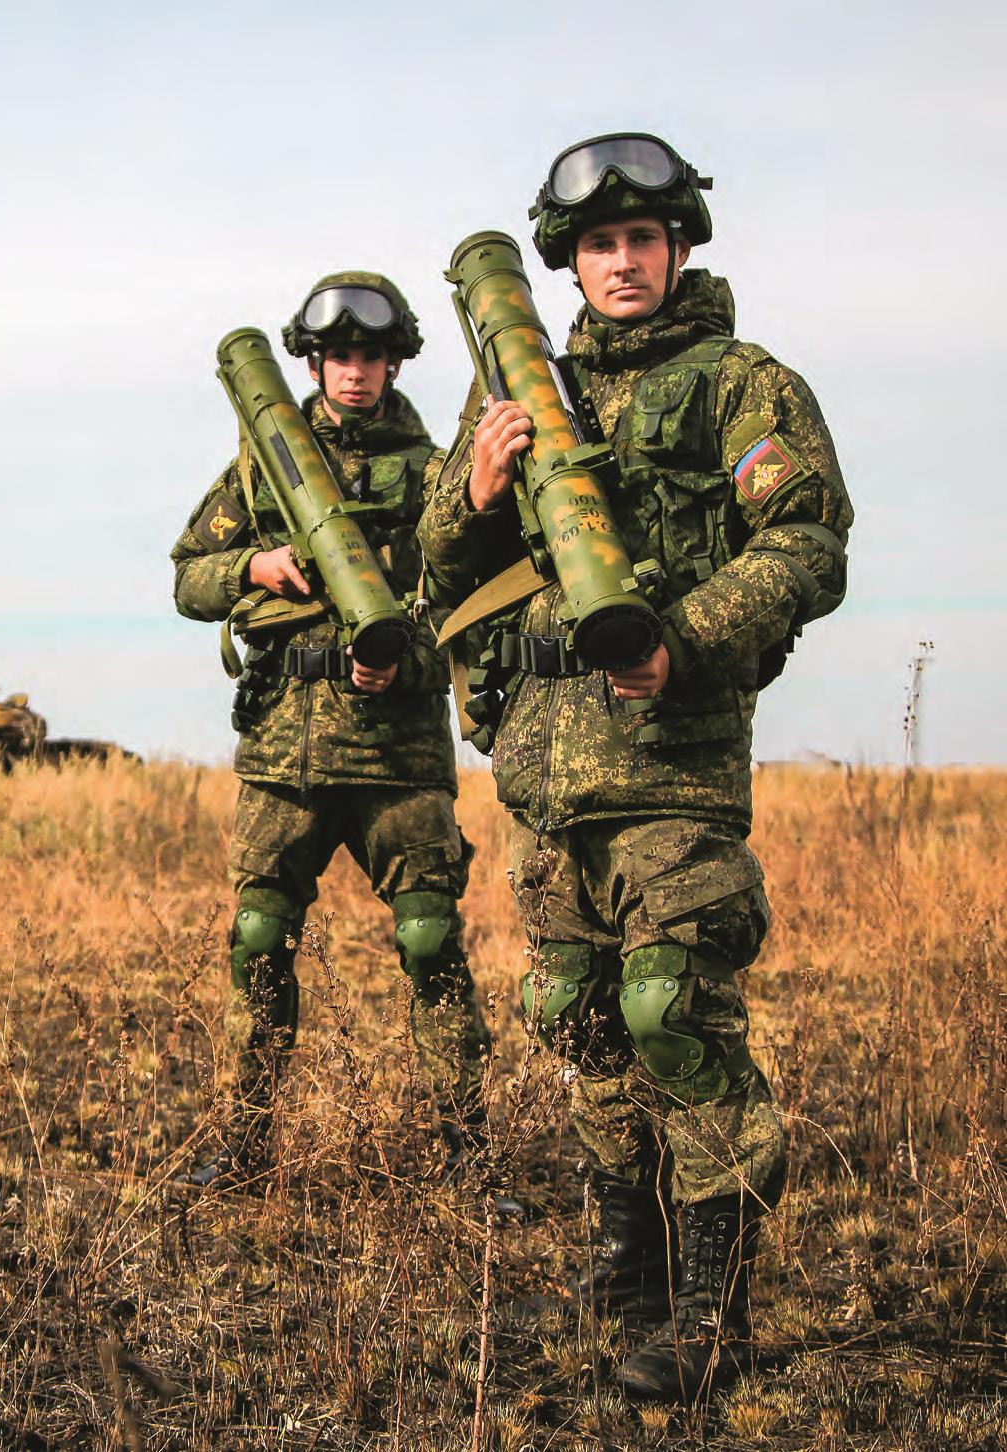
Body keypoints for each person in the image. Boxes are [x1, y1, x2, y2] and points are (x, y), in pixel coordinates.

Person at [418, 134, 852, 1400]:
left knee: (672, 1015)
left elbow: (805, 543)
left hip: (671, 774)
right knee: (583, 1029)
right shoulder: (519, 391)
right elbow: (433, 571)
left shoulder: (740, 385)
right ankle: (629, 1294)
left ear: (676, 249)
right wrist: (475, 488)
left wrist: (683, 639)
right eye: (600, 244)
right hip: (544, 779)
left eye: (642, 240)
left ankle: (711, 1317)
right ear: (569, 261)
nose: (622, 262)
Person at [171, 272, 491, 1190]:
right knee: (259, 941)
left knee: (430, 943)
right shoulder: (263, 470)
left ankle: (467, 1156)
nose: (355, 372)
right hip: (287, 753)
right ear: (312, 364)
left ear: (396, 364)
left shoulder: (436, 475)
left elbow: (475, 602)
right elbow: (188, 578)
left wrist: (408, 662)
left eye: (372, 356)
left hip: (400, 755)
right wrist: (254, 565)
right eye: (340, 356)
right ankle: (243, 1149)